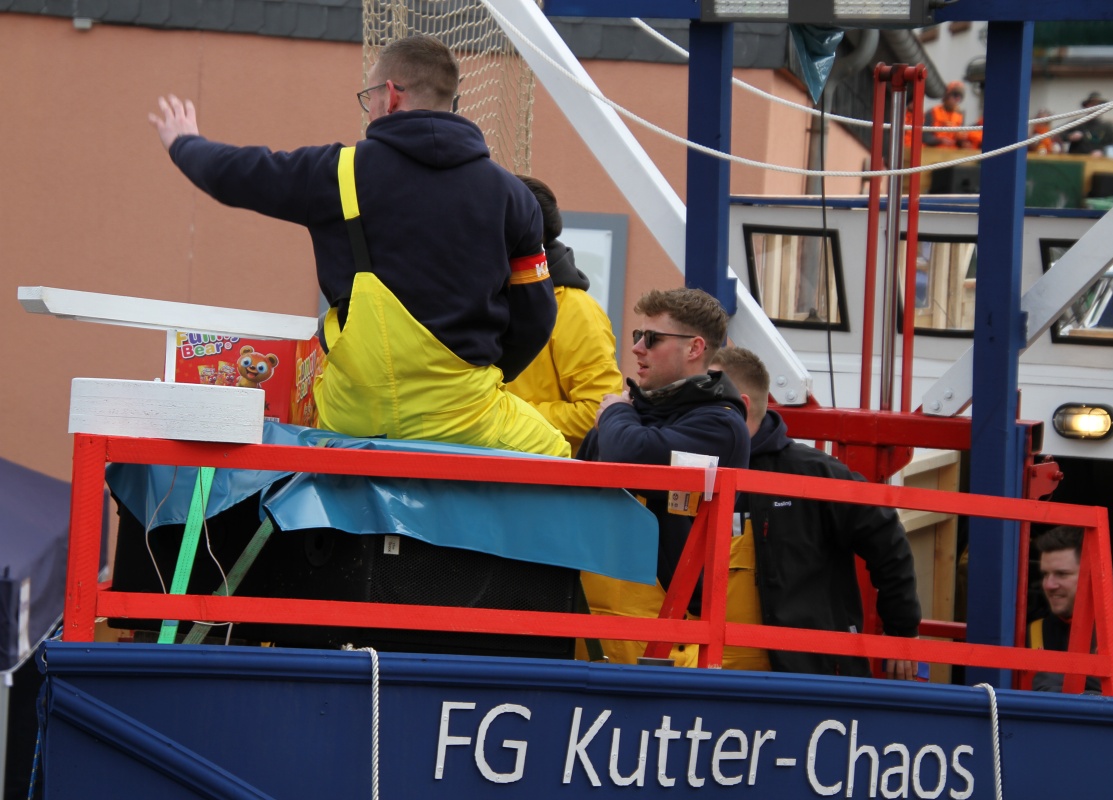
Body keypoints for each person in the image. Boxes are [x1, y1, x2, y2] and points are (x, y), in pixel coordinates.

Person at [148, 35, 569, 457]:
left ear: (390, 95)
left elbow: (238, 175)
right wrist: (478, 377)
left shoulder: (338, 172)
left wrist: (185, 144)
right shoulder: (513, 196)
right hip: (464, 418)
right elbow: (536, 316)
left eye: (369, 96)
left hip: (353, 417)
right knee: (557, 454)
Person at [710, 346, 922, 679]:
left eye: (702, 401)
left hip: (807, 678)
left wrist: (901, 631)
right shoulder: (693, 468)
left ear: (740, 408)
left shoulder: (815, 474)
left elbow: (887, 538)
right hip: (711, 676)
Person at [576, 288, 750, 665]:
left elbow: (631, 455)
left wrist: (615, 413)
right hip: (587, 620)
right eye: (637, 335)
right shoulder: (629, 417)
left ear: (694, 348)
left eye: (651, 338)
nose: (637, 347)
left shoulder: (719, 425)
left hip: (667, 633)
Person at [506, 177, 623, 457]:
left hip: (539, 474)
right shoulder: (486, 298)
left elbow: (597, 412)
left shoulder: (576, 310)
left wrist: (503, 416)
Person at [1067, 91, 1113, 156]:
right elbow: (1058, 135)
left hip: (1101, 160)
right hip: (1077, 159)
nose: (1094, 107)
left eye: (1097, 104)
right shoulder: (1077, 123)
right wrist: (1070, 136)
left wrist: (1103, 152)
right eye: (1092, 104)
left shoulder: (1108, 127)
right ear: (1086, 106)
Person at [923, 80, 968, 149]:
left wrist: (961, 140)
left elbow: (959, 141)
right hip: (933, 151)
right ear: (946, 95)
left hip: (952, 152)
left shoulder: (960, 115)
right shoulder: (932, 112)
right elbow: (924, 137)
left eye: (960, 96)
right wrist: (940, 140)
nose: (957, 99)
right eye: (955, 95)